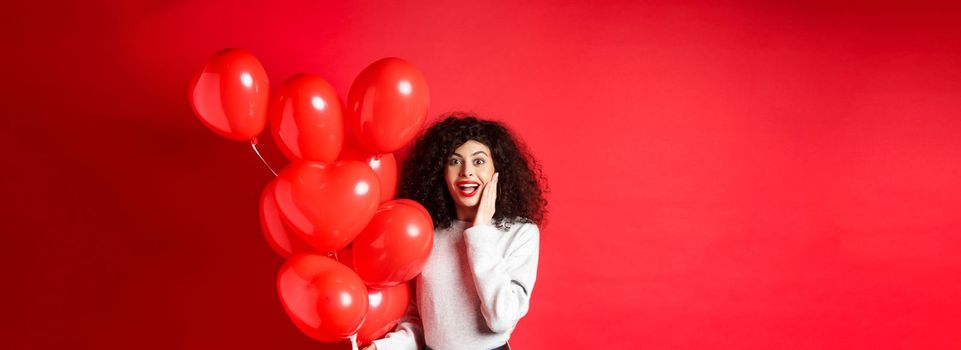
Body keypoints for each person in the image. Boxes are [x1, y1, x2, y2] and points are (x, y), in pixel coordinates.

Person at [363, 113, 548, 350]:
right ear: (441, 172)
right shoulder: (427, 233)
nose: (466, 172)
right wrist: (382, 349)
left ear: (497, 170)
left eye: (479, 161)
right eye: (455, 161)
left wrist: (480, 231)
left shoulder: (521, 233)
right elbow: (421, 322)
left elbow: (501, 318)